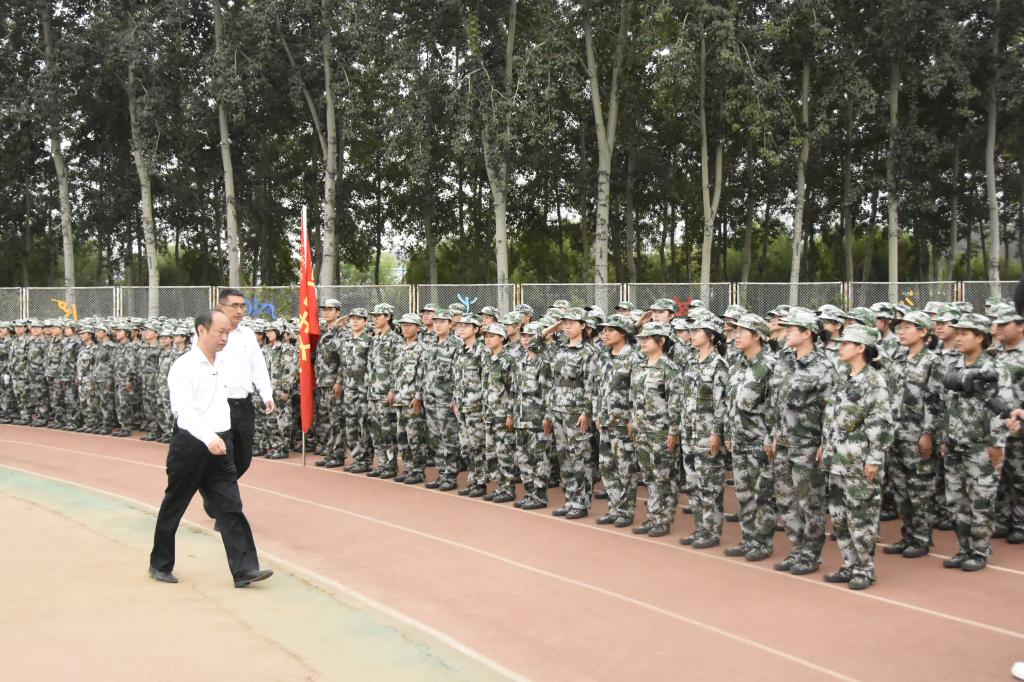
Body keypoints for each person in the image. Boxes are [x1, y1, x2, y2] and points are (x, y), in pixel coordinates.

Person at [149, 309, 273, 588]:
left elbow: (244, 384)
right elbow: (184, 412)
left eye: (228, 333)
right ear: (201, 331)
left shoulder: (225, 363)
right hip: (191, 445)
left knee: (231, 507)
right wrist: (208, 438)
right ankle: (160, 564)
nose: (225, 337)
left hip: (221, 444)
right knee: (174, 504)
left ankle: (245, 570)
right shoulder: (184, 367)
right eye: (220, 332)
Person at [939, 313, 1015, 571]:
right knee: (955, 501)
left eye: (964, 334)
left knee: (981, 501)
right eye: (957, 333)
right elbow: (946, 406)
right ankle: (964, 548)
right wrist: (944, 437)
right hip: (955, 445)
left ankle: (980, 551)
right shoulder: (953, 367)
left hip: (981, 447)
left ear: (980, 337)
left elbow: (1002, 410)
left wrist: (997, 445)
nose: (958, 338)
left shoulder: (995, 369)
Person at [822, 325, 892, 590]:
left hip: (859, 462)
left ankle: (865, 568)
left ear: (861, 348)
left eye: (846, 343)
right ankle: (849, 563)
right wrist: (825, 447)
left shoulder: (874, 381)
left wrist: (874, 458)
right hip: (837, 460)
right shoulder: (843, 376)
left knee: (861, 518)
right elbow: (832, 417)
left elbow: (880, 423)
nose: (840, 347)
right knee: (839, 518)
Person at [769, 308, 837, 576]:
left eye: (792, 329)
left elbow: (831, 409)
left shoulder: (824, 367)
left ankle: (811, 554)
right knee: (786, 499)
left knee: (810, 502)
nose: (786, 333)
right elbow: (776, 402)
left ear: (807, 333)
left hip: (808, 444)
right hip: (784, 441)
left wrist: (825, 443)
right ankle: (797, 548)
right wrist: (773, 434)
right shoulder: (785, 360)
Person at [886, 311, 944, 558]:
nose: (902, 331)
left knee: (920, 490)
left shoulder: (932, 362)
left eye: (908, 327)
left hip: (917, 435)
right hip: (895, 434)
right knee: (900, 490)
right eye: (901, 327)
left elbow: (935, 401)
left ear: (923, 332)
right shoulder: (897, 358)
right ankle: (908, 534)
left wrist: (928, 433)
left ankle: (921, 539)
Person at [723, 314, 776, 561]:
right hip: (739, 440)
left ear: (757, 336)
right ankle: (748, 539)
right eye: (736, 331)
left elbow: (775, 407)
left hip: (759, 442)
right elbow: (729, 402)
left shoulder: (769, 366)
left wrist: (771, 438)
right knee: (743, 494)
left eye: (742, 331)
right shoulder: (737, 366)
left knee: (762, 495)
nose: (737, 336)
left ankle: (762, 543)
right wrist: (727, 432)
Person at [208, 289, 275, 477]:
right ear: (221, 307)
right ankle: (222, 491)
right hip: (219, 404)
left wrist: (267, 395)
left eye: (242, 306)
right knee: (222, 458)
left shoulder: (247, 334)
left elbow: (258, 367)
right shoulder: (208, 333)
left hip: (244, 405)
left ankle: (222, 487)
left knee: (243, 459)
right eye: (234, 306)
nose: (239, 311)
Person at [629, 322, 681, 537]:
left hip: (661, 431)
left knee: (663, 477)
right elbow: (633, 396)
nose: (643, 341)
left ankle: (663, 520)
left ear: (661, 341)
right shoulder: (640, 366)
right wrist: (633, 420)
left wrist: (673, 431)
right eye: (641, 338)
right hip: (642, 429)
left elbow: (675, 402)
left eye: (648, 338)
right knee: (649, 476)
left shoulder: (669, 368)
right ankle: (653, 516)